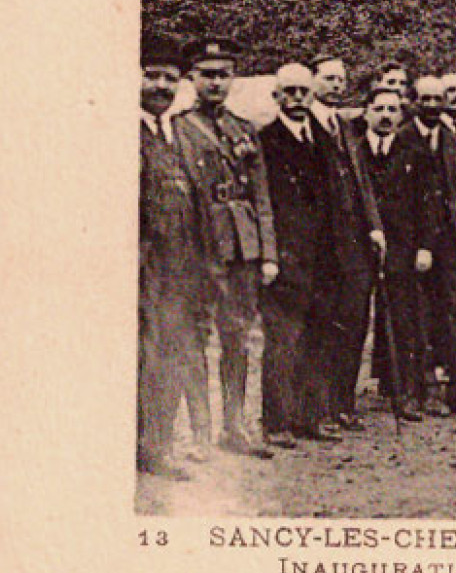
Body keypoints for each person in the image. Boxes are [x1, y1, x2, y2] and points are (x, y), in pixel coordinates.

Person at [173, 36, 277, 459]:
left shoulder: (244, 128)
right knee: (195, 337)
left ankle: (234, 426)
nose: (215, 82)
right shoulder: (179, 128)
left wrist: (267, 252)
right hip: (200, 245)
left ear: (233, 79)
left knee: (238, 338)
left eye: (223, 75)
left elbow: (262, 197)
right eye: (207, 75)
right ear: (192, 78)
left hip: (242, 246)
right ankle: (200, 433)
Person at [257, 64, 343, 446]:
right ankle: (277, 421)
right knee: (283, 341)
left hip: (323, 255)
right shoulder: (265, 140)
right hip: (287, 256)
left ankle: (313, 416)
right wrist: (271, 255)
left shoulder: (324, 138)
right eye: (288, 92)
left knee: (321, 337)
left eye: (302, 92)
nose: (296, 99)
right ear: (276, 97)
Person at [401, 76, 456, 418]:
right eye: (425, 99)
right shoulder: (403, 139)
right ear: (414, 101)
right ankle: (422, 391)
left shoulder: (453, 142)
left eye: (438, 99)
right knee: (418, 315)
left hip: (451, 242)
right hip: (415, 244)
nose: (433, 105)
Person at [308, 54, 386, 431]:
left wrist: (374, 226)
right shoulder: (307, 126)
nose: (336, 86)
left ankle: (343, 402)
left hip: (355, 243)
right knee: (324, 327)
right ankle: (318, 406)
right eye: (328, 79)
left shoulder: (346, 128)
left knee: (354, 325)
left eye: (340, 80)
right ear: (313, 82)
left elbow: (363, 185)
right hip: (323, 245)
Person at [137, 36, 200, 481]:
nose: (160, 85)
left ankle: (157, 447)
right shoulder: (125, 133)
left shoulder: (181, 135)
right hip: (139, 268)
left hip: (178, 269)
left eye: (169, 78)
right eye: (151, 75)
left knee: (171, 356)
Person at [359, 89, 438, 421]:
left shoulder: (414, 153)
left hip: (403, 249)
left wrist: (424, 247)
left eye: (393, 109)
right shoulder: (353, 151)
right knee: (353, 321)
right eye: (379, 108)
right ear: (366, 113)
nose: (386, 115)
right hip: (359, 248)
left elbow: (427, 204)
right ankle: (339, 402)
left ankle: (405, 393)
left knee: (404, 321)